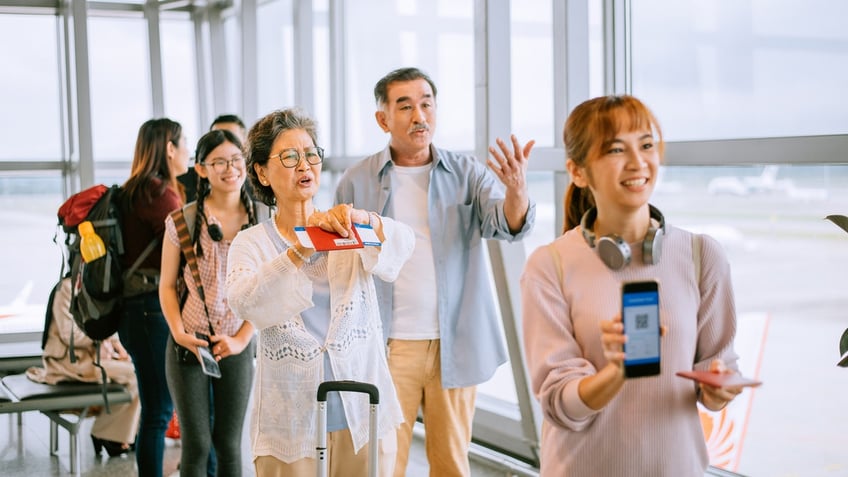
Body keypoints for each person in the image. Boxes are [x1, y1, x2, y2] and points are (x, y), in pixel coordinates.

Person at [520, 94, 743, 476]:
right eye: (615, 150)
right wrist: (616, 372)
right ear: (578, 172)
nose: (638, 163)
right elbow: (560, 405)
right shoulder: (550, 265)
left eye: (646, 145)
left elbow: (717, 372)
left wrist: (720, 389)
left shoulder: (701, 255)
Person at [334, 66, 536, 476]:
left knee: (451, 464)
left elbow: (507, 224)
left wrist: (517, 191)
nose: (418, 115)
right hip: (388, 346)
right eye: (404, 105)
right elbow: (341, 267)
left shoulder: (467, 173)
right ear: (383, 119)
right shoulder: (356, 181)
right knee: (384, 463)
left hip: (455, 344)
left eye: (426, 103)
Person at [226, 107, 414, 477]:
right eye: (290, 157)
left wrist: (366, 220)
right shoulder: (251, 242)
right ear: (262, 172)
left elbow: (403, 245)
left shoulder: (344, 226)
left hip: (361, 409)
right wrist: (299, 252)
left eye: (310, 154)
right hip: (291, 419)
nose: (304, 166)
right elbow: (245, 301)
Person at [160, 129, 257, 477]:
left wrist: (242, 338)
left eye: (236, 160)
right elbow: (167, 286)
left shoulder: (261, 219)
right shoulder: (182, 220)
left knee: (229, 445)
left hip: (237, 342)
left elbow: (270, 291)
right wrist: (179, 332)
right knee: (197, 444)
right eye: (219, 162)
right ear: (201, 170)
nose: (230, 169)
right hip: (190, 343)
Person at [119, 117, 190, 477]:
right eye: (184, 143)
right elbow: (186, 252)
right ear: (169, 148)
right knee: (159, 411)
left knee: (154, 408)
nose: (188, 152)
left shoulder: (131, 190)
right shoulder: (160, 194)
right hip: (150, 311)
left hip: (133, 312)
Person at [27, 277, 140, 457]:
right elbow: (69, 335)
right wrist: (103, 339)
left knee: (136, 371)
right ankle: (110, 434)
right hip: (68, 363)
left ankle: (114, 432)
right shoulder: (66, 288)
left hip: (87, 358)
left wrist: (114, 344)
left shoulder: (92, 285)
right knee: (135, 375)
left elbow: (101, 327)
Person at [180, 114, 248, 203]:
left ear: (245, 143)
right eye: (217, 136)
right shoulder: (185, 183)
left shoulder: (259, 183)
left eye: (231, 137)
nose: (224, 141)